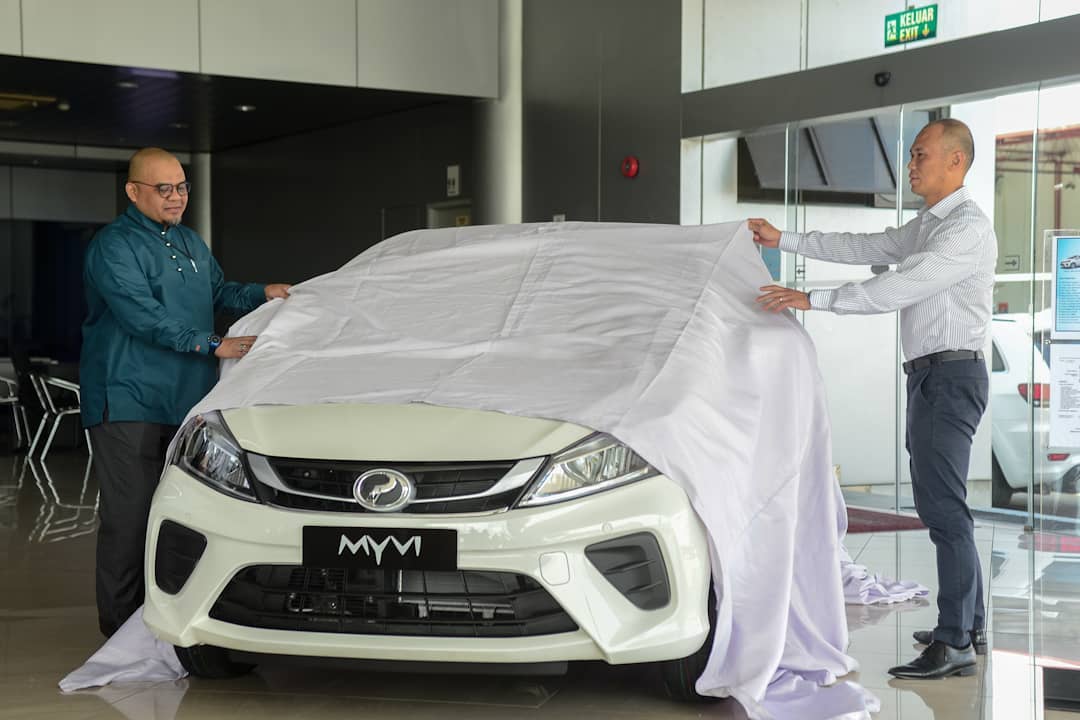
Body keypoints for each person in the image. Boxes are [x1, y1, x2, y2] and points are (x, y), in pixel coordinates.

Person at [748, 119, 997, 680]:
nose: (910, 164)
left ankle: (955, 640)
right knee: (944, 505)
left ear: (956, 161)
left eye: (921, 154)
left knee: (944, 510)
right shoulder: (931, 224)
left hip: (950, 376)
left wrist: (813, 299)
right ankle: (970, 624)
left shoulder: (965, 230)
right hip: (933, 376)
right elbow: (869, 246)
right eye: (912, 155)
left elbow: (899, 286)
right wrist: (785, 239)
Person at [81, 147, 291, 637]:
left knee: (183, 515)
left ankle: (166, 622)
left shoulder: (190, 242)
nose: (176, 197)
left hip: (186, 401)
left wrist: (262, 293)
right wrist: (214, 344)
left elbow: (217, 293)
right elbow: (141, 315)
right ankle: (122, 634)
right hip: (128, 398)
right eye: (164, 189)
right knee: (130, 519)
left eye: (181, 187)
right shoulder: (114, 246)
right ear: (133, 191)